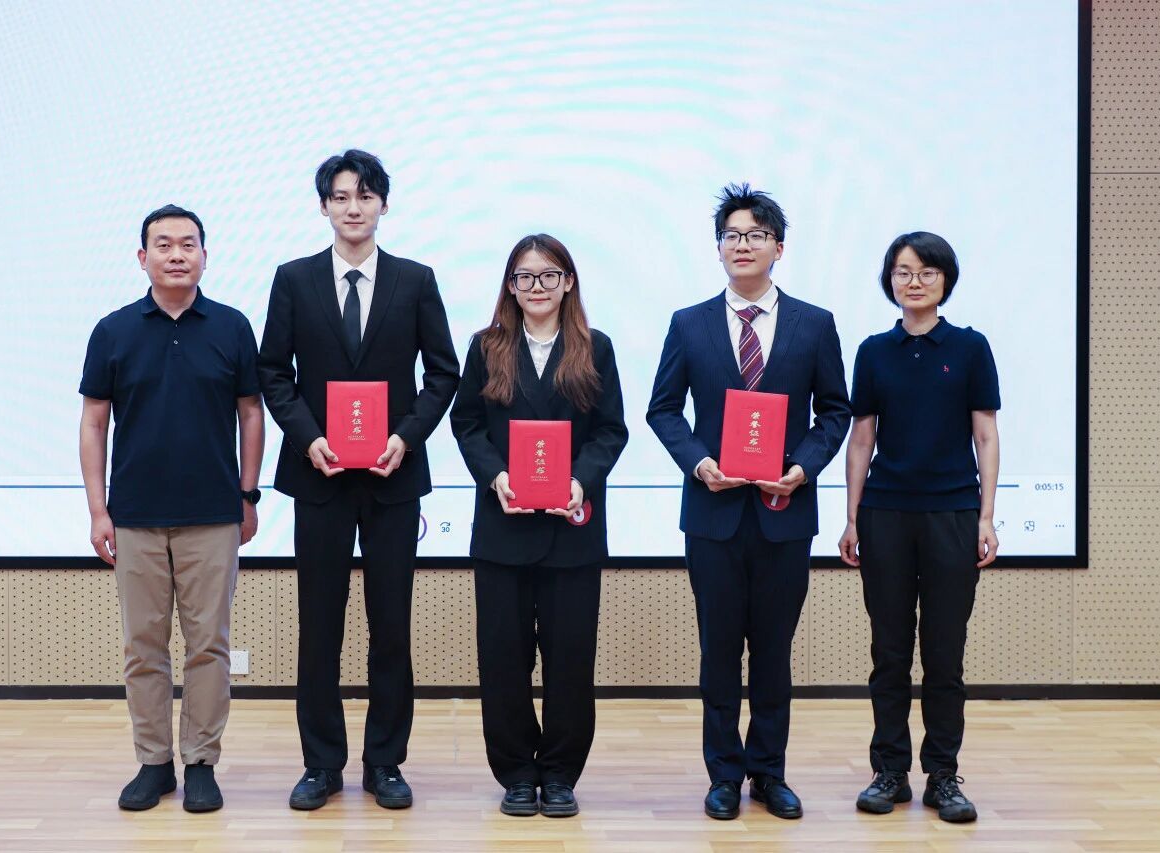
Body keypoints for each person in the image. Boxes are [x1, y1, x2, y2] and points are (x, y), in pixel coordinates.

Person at [258, 149, 460, 811]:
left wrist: (406, 436)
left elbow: (443, 373)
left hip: (391, 478)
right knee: (320, 626)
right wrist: (308, 436)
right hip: (318, 476)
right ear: (324, 206)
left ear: (383, 205)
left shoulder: (415, 280)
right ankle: (321, 764)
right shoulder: (293, 279)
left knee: (391, 626)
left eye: (365, 196)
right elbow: (274, 373)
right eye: (341, 196)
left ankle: (384, 762)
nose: (353, 207)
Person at [647, 184, 850, 821]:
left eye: (756, 235)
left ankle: (769, 772)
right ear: (718, 248)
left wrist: (803, 468)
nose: (743, 245)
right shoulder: (690, 323)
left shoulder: (815, 324)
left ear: (778, 248)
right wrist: (698, 461)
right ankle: (723, 775)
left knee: (772, 651)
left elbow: (835, 411)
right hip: (713, 514)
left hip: (784, 516)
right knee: (718, 652)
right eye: (732, 235)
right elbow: (663, 409)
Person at [79, 204, 265, 813]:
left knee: (209, 645)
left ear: (205, 256)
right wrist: (98, 510)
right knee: (143, 646)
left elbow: (251, 415)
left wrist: (248, 494)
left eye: (189, 244)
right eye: (164, 245)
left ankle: (201, 762)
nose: (177, 254)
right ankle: (154, 762)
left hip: (213, 513)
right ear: (143, 258)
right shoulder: (113, 330)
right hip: (134, 515)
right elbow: (94, 422)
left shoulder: (232, 327)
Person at [450, 234, 628, 818]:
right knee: (503, 659)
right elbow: (467, 424)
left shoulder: (595, 348)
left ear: (568, 282)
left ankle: (559, 775)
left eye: (549, 276)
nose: (537, 287)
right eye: (524, 277)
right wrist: (496, 476)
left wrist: (580, 480)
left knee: (570, 659)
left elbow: (611, 430)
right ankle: (517, 775)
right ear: (510, 285)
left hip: (572, 531)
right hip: (503, 529)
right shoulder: (487, 347)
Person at [838, 231, 1000, 824]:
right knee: (889, 651)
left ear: (945, 280)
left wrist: (985, 516)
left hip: (953, 514)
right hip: (884, 514)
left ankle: (943, 775)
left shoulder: (971, 347)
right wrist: (851, 516)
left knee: (945, 653)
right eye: (903, 272)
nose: (914, 281)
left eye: (927, 272)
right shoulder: (873, 351)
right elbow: (862, 439)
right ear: (890, 281)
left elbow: (985, 435)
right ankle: (890, 771)